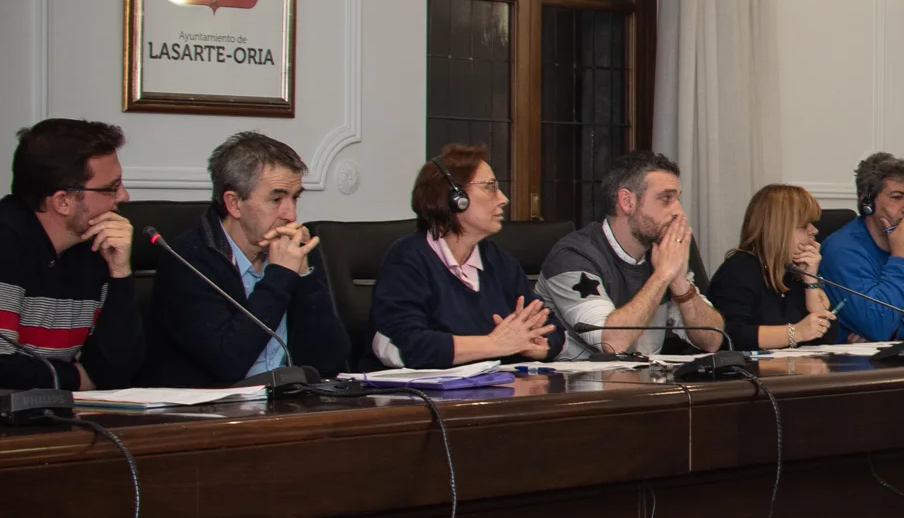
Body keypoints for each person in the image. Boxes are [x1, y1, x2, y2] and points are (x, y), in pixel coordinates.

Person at [141, 132, 348, 385]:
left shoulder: (296, 250)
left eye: (295, 198)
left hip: (290, 401)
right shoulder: (187, 259)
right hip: (216, 405)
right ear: (234, 204)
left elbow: (329, 364)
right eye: (276, 199)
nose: (291, 214)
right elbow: (228, 362)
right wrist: (280, 276)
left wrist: (304, 278)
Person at [369, 145, 562, 368]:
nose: (503, 199)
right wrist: (494, 344)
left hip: (498, 384)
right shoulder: (407, 259)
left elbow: (551, 327)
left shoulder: (498, 260)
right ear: (455, 197)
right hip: (416, 389)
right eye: (490, 187)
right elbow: (407, 346)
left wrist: (539, 345)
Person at [537, 151, 724, 358]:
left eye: (677, 199)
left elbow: (713, 341)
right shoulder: (573, 256)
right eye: (665, 198)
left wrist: (680, 284)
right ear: (627, 201)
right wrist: (663, 275)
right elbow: (612, 343)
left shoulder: (663, 252)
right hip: (578, 377)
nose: (679, 212)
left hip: (644, 375)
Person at [0, 119, 142, 390]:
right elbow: (3, 368)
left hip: (60, 410)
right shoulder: (6, 243)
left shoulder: (96, 241)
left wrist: (120, 273)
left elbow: (118, 371)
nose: (124, 196)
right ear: (63, 201)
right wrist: (78, 378)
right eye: (112, 188)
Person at [818, 152, 904, 341]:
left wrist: (895, 331)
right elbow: (878, 324)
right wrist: (901, 257)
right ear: (867, 202)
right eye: (897, 197)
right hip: (858, 359)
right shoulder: (841, 250)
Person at [707, 185, 838, 351]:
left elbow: (827, 333)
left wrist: (810, 279)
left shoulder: (793, 271)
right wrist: (796, 333)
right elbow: (729, 336)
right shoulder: (739, 270)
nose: (815, 230)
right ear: (779, 229)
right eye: (805, 225)